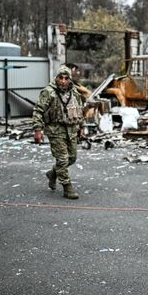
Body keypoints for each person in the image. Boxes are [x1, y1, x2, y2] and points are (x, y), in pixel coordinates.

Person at [32, 65, 85, 199]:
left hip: (71, 129)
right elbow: (38, 111)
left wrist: (81, 127)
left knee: (72, 158)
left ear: (70, 80)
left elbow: (79, 110)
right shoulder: (48, 92)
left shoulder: (75, 92)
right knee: (62, 159)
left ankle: (53, 173)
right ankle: (67, 187)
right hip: (55, 130)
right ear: (56, 78)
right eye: (60, 78)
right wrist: (38, 130)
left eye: (66, 78)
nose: (63, 81)